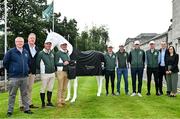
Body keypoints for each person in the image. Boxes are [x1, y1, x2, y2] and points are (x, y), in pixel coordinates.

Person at [3, 37, 33, 117]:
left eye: (21, 41)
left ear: (23, 43)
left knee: (25, 94)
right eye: (18, 41)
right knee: (12, 95)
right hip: (14, 77)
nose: (20, 43)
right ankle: (10, 111)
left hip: (24, 77)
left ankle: (27, 109)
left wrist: (27, 69)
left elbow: (28, 62)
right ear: (15, 42)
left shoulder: (26, 52)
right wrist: (12, 70)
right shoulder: (11, 52)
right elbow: (5, 62)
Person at [19, 33, 39, 110]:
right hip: (25, 71)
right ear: (28, 38)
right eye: (31, 38)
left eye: (33, 38)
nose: (32, 39)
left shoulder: (36, 48)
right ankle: (21, 105)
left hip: (33, 71)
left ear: (35, 39)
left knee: (30, 88)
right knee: (23, 89)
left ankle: (29, 103)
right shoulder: (24, 46)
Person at [36, 40, 55, 108]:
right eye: (47, 44)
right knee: (43, 88)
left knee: (50, 88)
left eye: (50, 44)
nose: (48, 45)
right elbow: (37, 63)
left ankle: (49, 102)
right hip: (45, 74)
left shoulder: (52, 53)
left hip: (52, 73)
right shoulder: (41, 53)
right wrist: (43, 70)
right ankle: (43, 103)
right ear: (44, 45)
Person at [55, 42, 70, 107]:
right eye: (63, 45)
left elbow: (68, 61)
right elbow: (55, 63)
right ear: (60, 46)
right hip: (60, 72)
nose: (64, 46)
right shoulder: (58, 53)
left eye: (65, 45)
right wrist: (63, 64)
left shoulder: (67, 52)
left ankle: (63, 100)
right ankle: (59, 102)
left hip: (67, 72)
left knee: (64, 87)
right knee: (60, 87)